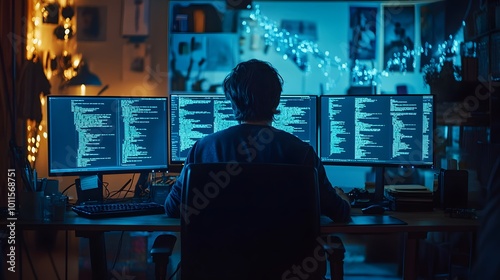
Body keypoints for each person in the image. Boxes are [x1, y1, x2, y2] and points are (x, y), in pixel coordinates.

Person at [164, 59, 351, 223]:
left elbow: (172, 209)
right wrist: (343, 199)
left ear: (232, 102)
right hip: (286, 262)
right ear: (276, 101)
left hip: (216, 262)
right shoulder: (301, 153)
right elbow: (340, 213)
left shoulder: (202, 149)